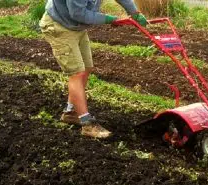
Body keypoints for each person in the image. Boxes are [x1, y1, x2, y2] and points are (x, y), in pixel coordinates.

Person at [39, 0, 147, 138]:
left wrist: (135, 12)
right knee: (77, 73)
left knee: (87, 67)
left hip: (76, 27)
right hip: (59, 26)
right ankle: (87, 124)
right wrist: (109, 19)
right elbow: (78, 13)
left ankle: (70, 113)